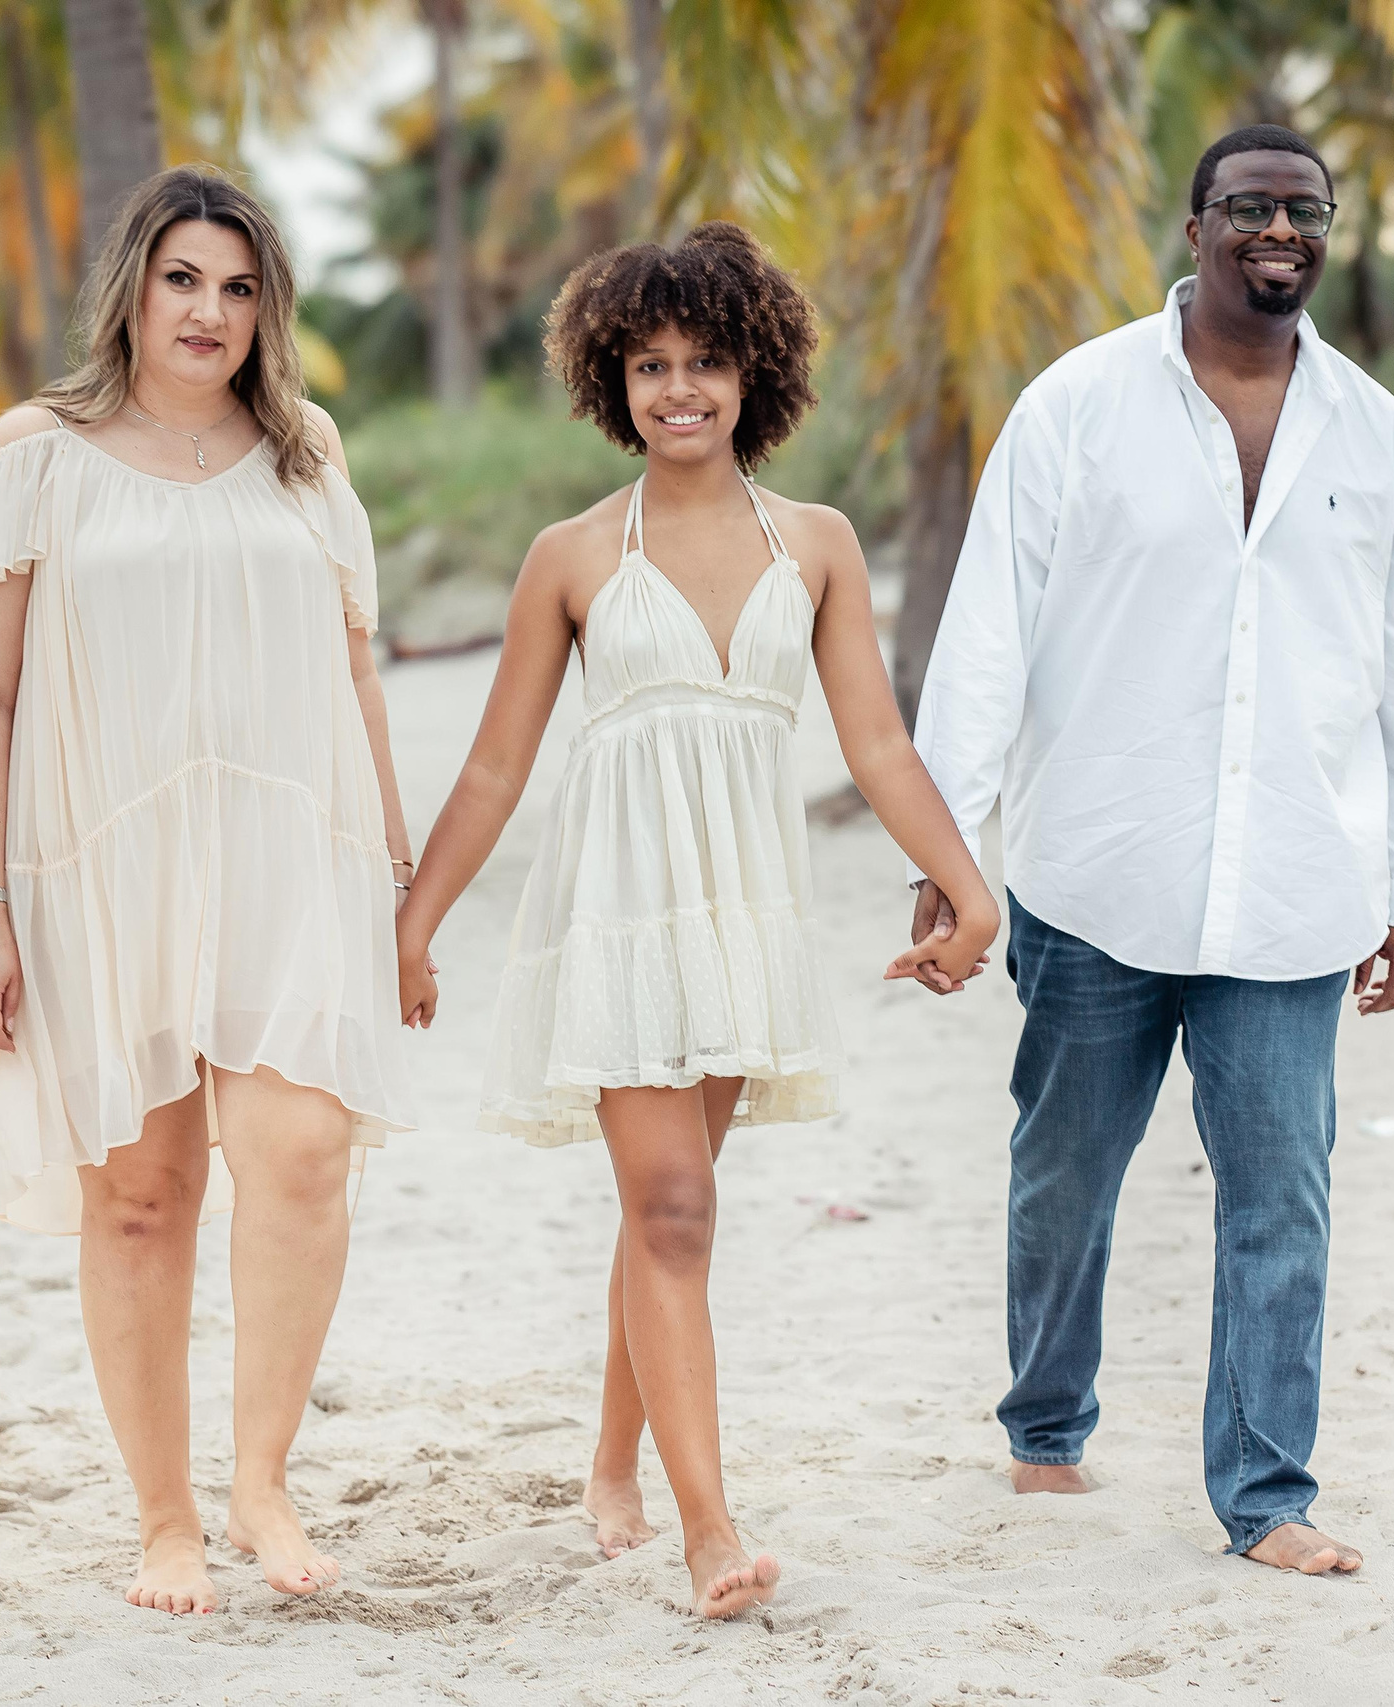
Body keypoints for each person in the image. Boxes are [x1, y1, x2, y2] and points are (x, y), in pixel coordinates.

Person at [393, 223, 999, 1619]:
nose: (680, 390)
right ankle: (708, 1527)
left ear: (754, 372)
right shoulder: (569, 555)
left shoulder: (822, 544)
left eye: (707, 361)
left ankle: (614, 1459)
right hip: (616, 909)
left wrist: (971, 888)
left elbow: (882, 748)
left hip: (741, 910)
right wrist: (419, 922)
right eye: (650, 364)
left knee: (677, 1209)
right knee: (667, 1208)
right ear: (612, 379)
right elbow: (495, 766)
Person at [907, 124, 1394, 1576]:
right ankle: (1045, 1426)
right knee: (1064, 1173)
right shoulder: (1079, 405)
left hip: (1294, 888)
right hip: (1097, 871)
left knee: (1284, 1196)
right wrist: (955, 853)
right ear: (1198, 222)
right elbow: (986, 639)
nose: (1279, 229)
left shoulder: (1378, 437)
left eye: (1305, 209)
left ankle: (1267, 1496)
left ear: (1328, 233)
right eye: (1250, 206)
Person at [0, 166, 419, 1615]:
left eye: (241, 286)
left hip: (288, 865)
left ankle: (260, 1479)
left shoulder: (305, 452)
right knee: (141, 1197)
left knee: (304, 1158)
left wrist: (395, 887)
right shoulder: (35, 452)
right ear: (133, 287)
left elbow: (355, 674)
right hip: (104, 871)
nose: (210, 311)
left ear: (270, 310)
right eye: (184, 279)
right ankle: (163, 1521)